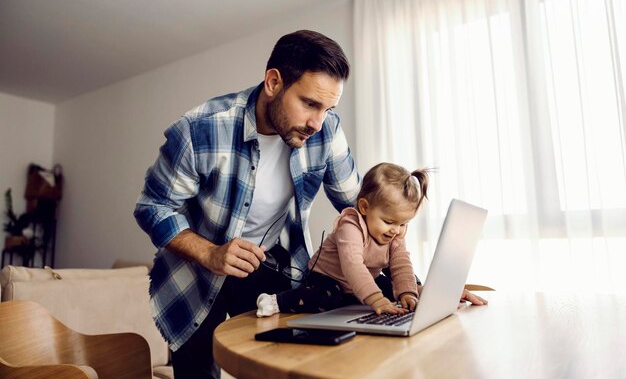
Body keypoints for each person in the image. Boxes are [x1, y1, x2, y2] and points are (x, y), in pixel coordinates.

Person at [134, 30, 361, 379]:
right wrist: (211, 254)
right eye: (310, 103)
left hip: (268, 263)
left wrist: (410, 283)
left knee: (283, 368)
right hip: (195, 272)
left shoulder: (326, 130)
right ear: (273, 82)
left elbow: (359, 210)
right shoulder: (200, 129)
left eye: (328, 108)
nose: (318, 122)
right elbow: (153, 207)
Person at [256, 162, 488, 318]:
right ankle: (280, 301)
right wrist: (376, 299)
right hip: (328, 281)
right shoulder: (351, 225)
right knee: (327, 297)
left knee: (393, 290)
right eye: (389, 222)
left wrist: (407, 293)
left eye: (403, 223)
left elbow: (400, 264)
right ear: (365, 207)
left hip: (364, 281)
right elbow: (352, 266)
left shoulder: (395, 232)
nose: (396, 230)